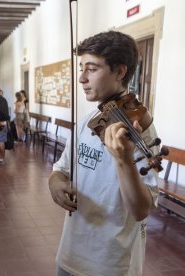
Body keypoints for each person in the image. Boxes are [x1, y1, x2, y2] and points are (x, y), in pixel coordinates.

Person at [48, 31, 159, 276]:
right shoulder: (89, 121)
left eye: (92, 69)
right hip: (69, 254)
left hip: (112, 263)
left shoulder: (142, 131)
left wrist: (124, 161)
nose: (82, 78)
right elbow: (61, 169)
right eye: (81, 68)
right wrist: (55, 184)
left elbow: (140, 210)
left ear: (120, 72)